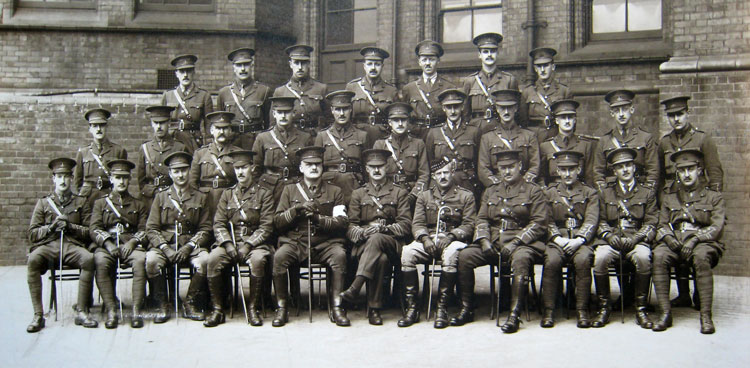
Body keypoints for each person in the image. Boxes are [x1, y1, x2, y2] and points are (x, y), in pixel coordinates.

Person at [455, 150, 549, 333]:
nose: (507, 172)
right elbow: (481, 219)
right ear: (497, 169)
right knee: (465, 256)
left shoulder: (533, 191)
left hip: (522, 243)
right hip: (494, 241)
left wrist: (516, 242)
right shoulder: (490, 191)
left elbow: (539, 223)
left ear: (519, 166)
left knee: (521, 260)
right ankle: (466, 308)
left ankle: (514, 315)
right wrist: (484, 241)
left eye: (511, 167)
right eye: (503, 168)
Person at [271, 146, 351, 327]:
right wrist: (295, 211)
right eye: (308, 164)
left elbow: (342, 222)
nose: (314, 168)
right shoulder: (290, 190)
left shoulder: (335, 191)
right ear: (301, 168)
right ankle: (282, 308)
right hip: (296, 242)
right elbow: (277, 222)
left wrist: (318, 219)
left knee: (340, 255)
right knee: (279, 257)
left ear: (322, 167)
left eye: (317, 164)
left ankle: (338, 307)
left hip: (325, 243)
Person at [657, 96, 724, 309]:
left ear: (687, 113)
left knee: (695, 247)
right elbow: (660, 178)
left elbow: (715, 173)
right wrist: (663, 203)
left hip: (698, 200)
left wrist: (709, 201)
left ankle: (698, 293)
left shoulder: (703, 139)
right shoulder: (665, 143)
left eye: (679, 114)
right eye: (671, 115)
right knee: (676, 242)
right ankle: (683, 293)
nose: (676, 119)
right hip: (673, 200)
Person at [651, 149, 725, 334]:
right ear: (677, 173)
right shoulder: (669, 197)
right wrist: (669, 238)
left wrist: (694, 240)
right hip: (675, 243)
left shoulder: (714, 197)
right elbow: (661, 224)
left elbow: (716, 227)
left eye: (690, 169)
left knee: (701, 257)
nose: (686, 174)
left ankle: (705, 316)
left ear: (699, 170)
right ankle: (665, 313)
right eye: (682, 170)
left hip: (703, 244)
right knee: (659, 255)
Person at [398, 157, 476, 329]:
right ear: (433, 176)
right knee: (407, 252)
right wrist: (425, 239)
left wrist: (452, 236)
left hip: (455, 241)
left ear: (453, 173)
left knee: (450, 254)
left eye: (446, 172)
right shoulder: (424, 196)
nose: (443, 177)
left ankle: (441, 309)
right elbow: (417, 223)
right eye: (439, 173)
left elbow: (470, 224)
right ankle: (413, 308)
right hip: (430, 239)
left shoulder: (465, 195)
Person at [27, 157, 98, 332]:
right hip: (49, 245)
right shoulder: (44, 203)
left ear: (72, 178)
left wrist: (71, 227)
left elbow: (90, 231)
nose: (63, 180)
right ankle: (38, 314)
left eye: (66, 176)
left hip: (72, 246)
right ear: (53, 178)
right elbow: (32, 234)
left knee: (88, 259)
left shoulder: (81, 202)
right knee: (33, 260)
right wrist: (50, 227)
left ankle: (81, 310)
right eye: (59, 176)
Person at [205, 150, 275, 327]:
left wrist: (248, 245)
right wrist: (228, 245)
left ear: (252, 168)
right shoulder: (227, 194)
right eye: (237, 168)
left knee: (258, 260)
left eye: (244, 167)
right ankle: (218, 309)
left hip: (255, 244)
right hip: (231, 242)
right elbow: (219, 223)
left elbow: (266, 226)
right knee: (213, 259)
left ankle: (253, 308)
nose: (241, 172)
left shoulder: (264, 194)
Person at [342, 149, 411, 325]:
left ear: (387, 167)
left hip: (392, 243)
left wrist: (385, 229)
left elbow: (406, 225)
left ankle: (356, 286)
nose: (377, 170)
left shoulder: (399, 192)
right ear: (366, 169)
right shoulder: (359, 193)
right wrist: (364, 232)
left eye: (380, 166)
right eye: (372, 167)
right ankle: (374, 309)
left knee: (378, 237)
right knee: (380, 259)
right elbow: (350, 225)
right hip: (365, 245)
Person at [591, 147, 657, 329]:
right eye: (620, 167)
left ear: (634, 167)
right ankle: (604, 307)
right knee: (601, 257)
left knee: (644, 257)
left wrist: (636, 238)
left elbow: (651, 222)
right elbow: (600, 221)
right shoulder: (606, 193)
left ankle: (641, 309)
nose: (625, 170)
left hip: (636, 240)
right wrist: (609, 236)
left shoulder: (647, 192)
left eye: (628, 165)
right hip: (613, 240)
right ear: (614, 171)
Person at [145, 151, 212, 322]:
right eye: (176, 171)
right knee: (151, 261)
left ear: (189, 171)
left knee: (205, 261)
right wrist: (165, 249)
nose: (180, 175)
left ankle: (190, 303)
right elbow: (151, 229)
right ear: (170, 173)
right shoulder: (160, 197)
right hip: (166, 245)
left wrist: (189, 246)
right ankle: (162, 303)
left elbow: (205, 228)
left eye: (183, 170)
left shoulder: (201, 197)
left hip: (190, 245)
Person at [540, 151, 599, 328]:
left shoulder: (590, 193)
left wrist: (579, 240)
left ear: (579, 170)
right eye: (563, 169)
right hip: (557, 240)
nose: (567, 174)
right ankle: (549, 311)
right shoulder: (549, 193)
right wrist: (557, 239)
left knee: (582, 260)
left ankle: (582, 310)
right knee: (551, 261)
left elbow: (591, 219)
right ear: (557, 171)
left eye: (571, 169)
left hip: (581, 240)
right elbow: (546, 219)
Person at [90, 159, 149, 329]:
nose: (121, 181)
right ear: (111, 179)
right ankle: (111, 310)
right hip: (107, 245)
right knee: (101, 262)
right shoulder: (100, 203)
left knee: (140, 261)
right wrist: (108, 244)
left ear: (129, 179)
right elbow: (94, 228)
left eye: (125, 178)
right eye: (117, 177)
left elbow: (144, 229)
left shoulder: (138, 204)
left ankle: (136, 310)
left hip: (129, 245)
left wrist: (132, 242)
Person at [592, 90, 659, 192]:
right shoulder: (604, 141)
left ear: (631, 110)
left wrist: (647, 194)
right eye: (617, 111)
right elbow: (598, 173)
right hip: (613, 194)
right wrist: (606, 195)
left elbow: (653, 171)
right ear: (611, 113)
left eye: (625, 109)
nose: (621, 114)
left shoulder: (645, 138)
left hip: (639, 191)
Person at [253, 96, 314, 204]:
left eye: (287, 112)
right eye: (280, 112)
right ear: (274, 114)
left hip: (296, 186)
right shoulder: (263, 138)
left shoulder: (305, 137)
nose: (283, 116)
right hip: (270, 187)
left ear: (293, 113)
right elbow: (255, 168)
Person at [424, 88, 482, 201]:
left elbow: (478, 161)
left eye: (456, 106)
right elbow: (429, 160)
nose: (453, 111)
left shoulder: (474, 132)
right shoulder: (434, 133)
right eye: (449, 107)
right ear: (443, 108)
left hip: (466, 182)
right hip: (442, 183)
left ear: (462, 107)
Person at [314, 90, 368, 205]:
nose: (342, 113)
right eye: (338, 109)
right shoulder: (322, 136)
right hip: (329, 187)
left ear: (351, 109)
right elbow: (316, 166)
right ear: (332, 110)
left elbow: (366, 167)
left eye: (345, 109)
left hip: (354, 187)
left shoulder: (362, 135)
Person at [478, 89, 540, 187]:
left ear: (515, 108)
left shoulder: (529, 136)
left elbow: (534, 166)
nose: (506, 112)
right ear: (497, 109)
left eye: (510, 107)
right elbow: (483, 169)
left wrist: (523, 184)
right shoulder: (487, 138)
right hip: (497, 188)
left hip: (524, 188)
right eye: (502, 108)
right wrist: (498, 186)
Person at [373, 102, 429, 206]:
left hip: (412, 196)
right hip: (387, 195)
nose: (400, 123)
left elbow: (424, 175)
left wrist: (414, 195)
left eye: (403, 120)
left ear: (408, 121)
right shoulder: (380, 145)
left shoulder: (418, 144)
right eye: (395, 120)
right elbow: (375, 175)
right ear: (390, 122)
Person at [461, 32, 518, 134]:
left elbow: (516, 112)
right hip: (476, 129)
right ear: (479, 55)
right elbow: (465, 112)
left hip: (500, 129)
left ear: (498, 53)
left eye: (493, 51)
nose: (489, 55)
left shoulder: (509, 80)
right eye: (485, 52)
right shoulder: (470, 81)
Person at [217, 47, 272, 150]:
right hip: (231, 143)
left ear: (252, 65)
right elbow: (219, 123)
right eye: (239, 65)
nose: (243, 69)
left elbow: (269, 123)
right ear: (234, 67)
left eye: (246, 64)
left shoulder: (264, 91)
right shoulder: (224, 93)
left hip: (255, 143)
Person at [401, 40, 456, 140]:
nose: (428, 63)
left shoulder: (448, 87)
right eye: (424, 59)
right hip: (416, 136)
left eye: (431, 59)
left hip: (440, 135)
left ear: (438, 61)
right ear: (419, 62)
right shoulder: (409, 88)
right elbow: (404, 115)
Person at [189, 111, 240, 220]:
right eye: (218, 128)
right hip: (205, 200)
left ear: (230, 131)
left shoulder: (237, 154)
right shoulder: (200, 153)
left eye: (225, 128)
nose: (222, 131)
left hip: (228, 200)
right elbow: (192, 182)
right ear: (211, 130)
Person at [135, 105, 188, 209]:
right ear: (151, 123)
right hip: (150, 199)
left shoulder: (179, 147)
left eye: (162, 123)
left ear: (169, 123)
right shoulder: (145, 148)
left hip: (172, 198)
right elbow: (141, 181)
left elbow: (185, 178)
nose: (159, 126)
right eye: (156, 123)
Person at [74, 108, 128, 208]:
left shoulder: (118, 151)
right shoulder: (83, 152)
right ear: (90, 128)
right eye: (95, 126)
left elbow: (123, 179)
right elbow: (77, 181)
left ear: (107, 127)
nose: (98, 129)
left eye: (102, 125)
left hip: (109, 197)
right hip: (88, 199)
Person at [346, 47, 399, 146]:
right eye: (370, 64)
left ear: (382, 66)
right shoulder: (353, 87)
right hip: (357, 137)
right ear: (364, 66)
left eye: (377, 64)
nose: (373, 68)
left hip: (383, 138)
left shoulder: (391, 90)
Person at [272, 44, 329, 137]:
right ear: (290, 64)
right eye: (296, 63)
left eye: (303, 63)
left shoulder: (321, 89)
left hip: (314, 138)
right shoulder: (280, 92)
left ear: (309, 64)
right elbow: (273, 123)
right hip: (291, 139)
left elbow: (329, 119)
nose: (300, 67)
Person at [161, 54, 214, 154]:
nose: (185, 75)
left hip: (193, 141)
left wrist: (208, 145)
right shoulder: (168, 95)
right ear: (176, 73)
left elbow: (209, 126)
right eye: (182, 71)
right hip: (172, 140)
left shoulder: (204, 96)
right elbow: (161, 120)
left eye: (188, 71)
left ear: (193, 72)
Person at [539, 99, 597, 186]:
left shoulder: (585, 145)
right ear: (557, 121)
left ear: (575, 120)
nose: (567, 121)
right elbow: (541, 177)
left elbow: (589, 177)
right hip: (554, 194)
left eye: (570, 117)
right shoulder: (546, 146)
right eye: (563, 118)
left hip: (579, 192)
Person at [520, 47, 572, 143]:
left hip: (556, 137)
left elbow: (571, 121)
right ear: (535, 69)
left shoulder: (564, 91)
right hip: (535, 139)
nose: (542, 69)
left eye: (546, 65)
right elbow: (523, 122)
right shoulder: (527, 92)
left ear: (553, 67)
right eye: (539, 66)